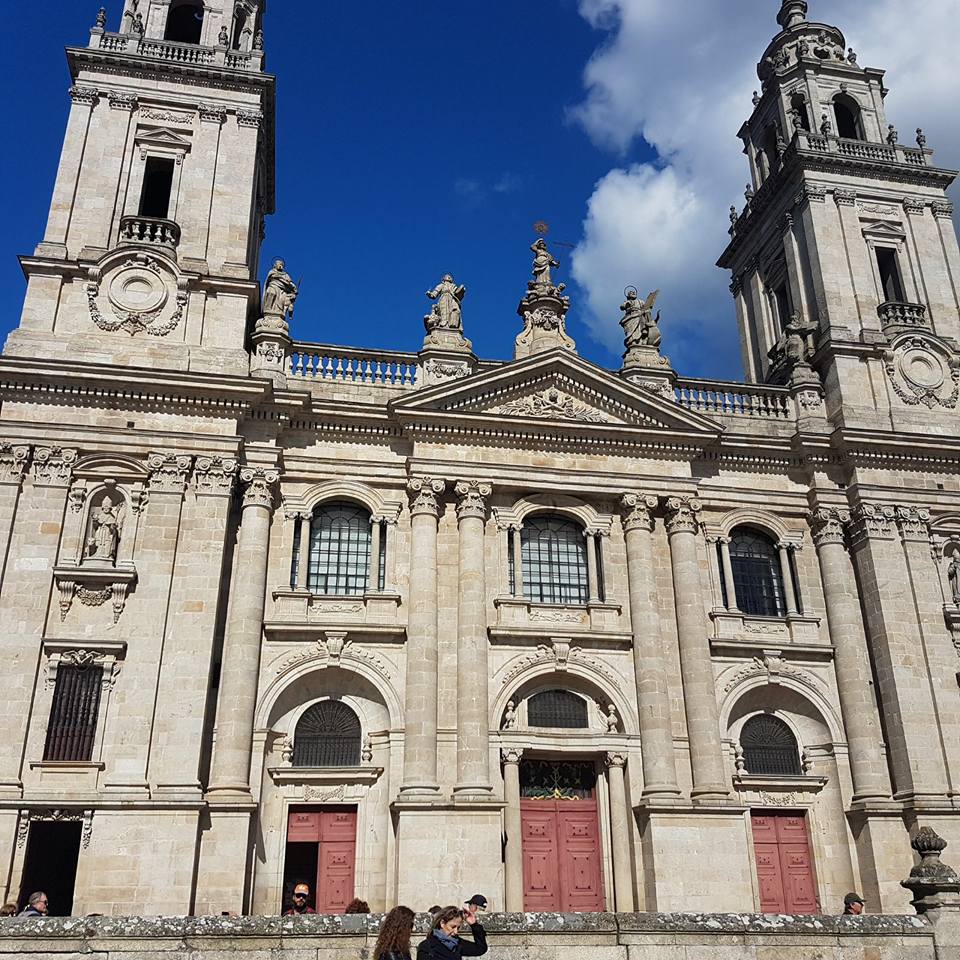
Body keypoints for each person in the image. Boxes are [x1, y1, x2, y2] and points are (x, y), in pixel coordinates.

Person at [416, 904, 487, 959]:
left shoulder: (457, 943)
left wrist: (474, 924)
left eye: (458, 928)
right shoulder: (426, 947)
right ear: (442, 923)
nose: (456, 932)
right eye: (452, 927)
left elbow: (480, 949)